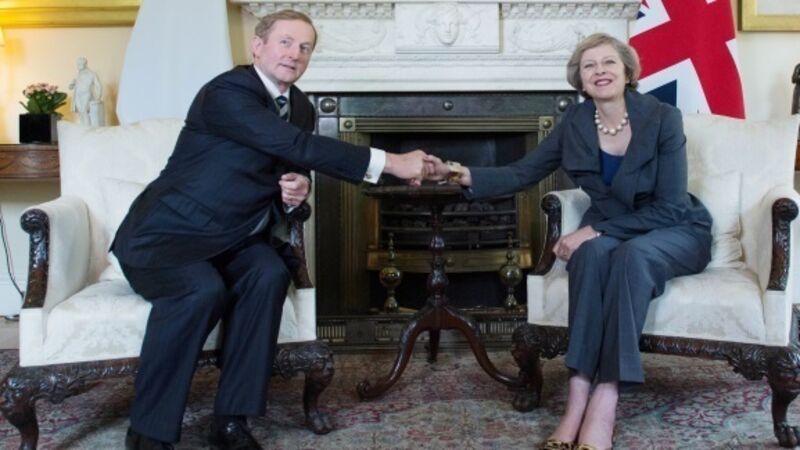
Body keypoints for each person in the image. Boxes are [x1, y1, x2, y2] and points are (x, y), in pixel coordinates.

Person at [112, 10, 429, 450]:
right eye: (285, 42)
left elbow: (293, 165)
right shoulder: (226, 92)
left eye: (305, 47)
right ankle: (148, 431)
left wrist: (299, 189)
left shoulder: (300, 107)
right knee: (201, 291)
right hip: (168, 236)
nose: (295, 54)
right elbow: (292, 144)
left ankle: (231, 421)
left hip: (232, 236)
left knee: (269, 273)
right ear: (257, 46)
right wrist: (392, 162)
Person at [424, 33, 712, 450]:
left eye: (609, 62)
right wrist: (457, 173)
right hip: (612, 229)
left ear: (627, 71)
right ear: (580, 79)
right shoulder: (575, 123)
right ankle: (577, 394)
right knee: (589, 256)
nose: (600, 71)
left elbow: (670, 208)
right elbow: (523, 172)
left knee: (628, 255)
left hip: (674, 230)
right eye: (589, 65)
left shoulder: (663, 117)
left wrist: (592, 230)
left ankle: (607, 396)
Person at [68, 57, 104, 126]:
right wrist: (72, 84)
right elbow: (70, 87)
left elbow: (98, 85)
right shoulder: (77, 74)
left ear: (84, 64)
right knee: (80, 113)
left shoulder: (92, 74)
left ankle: (88, 129)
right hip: (77, 95)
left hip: (86, 95)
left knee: (84, 112)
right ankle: (83, 128)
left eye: (79, 64)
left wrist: (98, 97)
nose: (78, 66)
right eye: (77, 64)